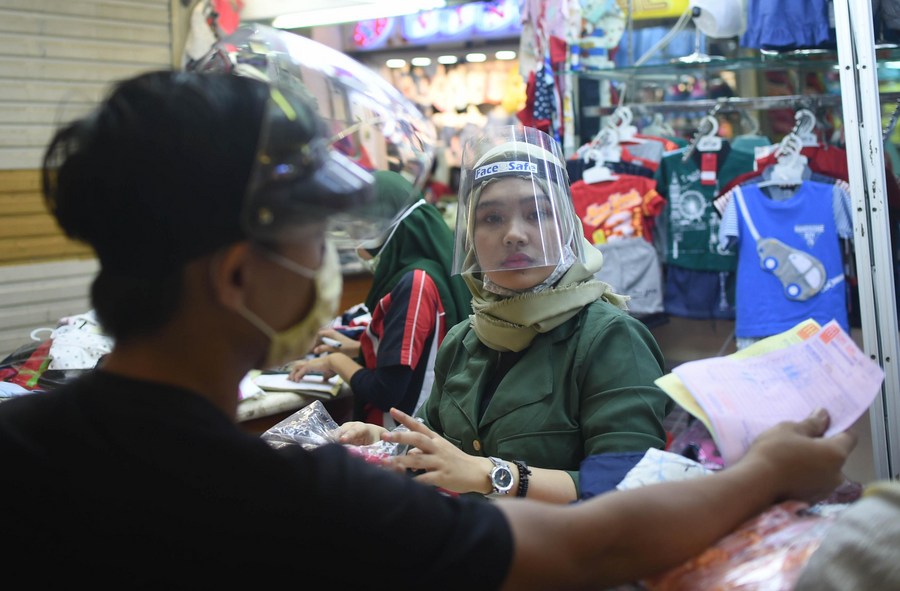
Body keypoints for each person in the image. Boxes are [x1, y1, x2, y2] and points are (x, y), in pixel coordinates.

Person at [0, 24, 857, 590]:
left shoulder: (23, 446)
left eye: (532, 214)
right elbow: (604, 544)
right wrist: (769, 471)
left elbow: (615, 478)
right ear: (235, 279)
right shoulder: (301, 500)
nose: (333, 262)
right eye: (312, 235)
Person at [339, 125, 676, 503]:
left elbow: (630, 483)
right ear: (470, 240)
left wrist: (496, 475)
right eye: (492, 218)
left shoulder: (611, 338)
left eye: (537, 213)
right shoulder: (464, 340)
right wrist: (386, 445)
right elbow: (439, 452)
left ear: (566, 229)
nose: (514, 234)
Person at [286, 169, 471, 427]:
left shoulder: (416, 283)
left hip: (396, 436)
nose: (353, 238)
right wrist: (359, 347)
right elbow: (419, 353)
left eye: (359, 226)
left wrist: (334, 361)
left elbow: (387, 393)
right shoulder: (423, 273)